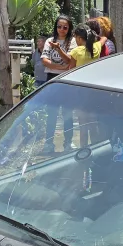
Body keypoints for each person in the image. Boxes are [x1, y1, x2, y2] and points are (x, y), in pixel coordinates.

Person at [40, 16, 77, 151]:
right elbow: (44, 60)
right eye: (59, 26)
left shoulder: (72, 42)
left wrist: (59, 49)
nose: (61, 29)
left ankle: (68, 142)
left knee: (68, 113)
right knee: (52, 113)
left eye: (65, 27)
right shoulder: (50, 41)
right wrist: (60, 68)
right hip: (52, 80)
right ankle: (49, 144)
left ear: (69, 28)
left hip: (67, 80)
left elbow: (69, 60)